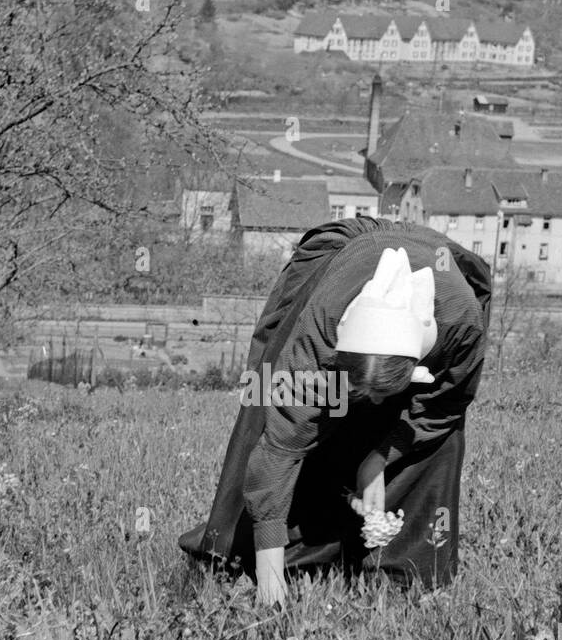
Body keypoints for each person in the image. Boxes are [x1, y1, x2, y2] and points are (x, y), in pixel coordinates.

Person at [179, 214, 491, 605]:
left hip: (437, 264)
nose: (372, 406)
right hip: (346, 259)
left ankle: (405, 572)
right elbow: (281, 447)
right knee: (267, 396)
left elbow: (442, 406)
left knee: (439, 441)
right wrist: (270, 580)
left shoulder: (461, 324)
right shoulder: (321, 327)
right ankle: (258, 550)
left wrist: (377, 459)